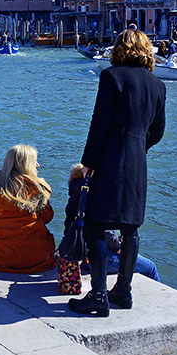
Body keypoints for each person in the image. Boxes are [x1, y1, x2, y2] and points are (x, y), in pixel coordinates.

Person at [68, 29, 166, 316]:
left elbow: (99, 124)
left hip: (110, 158)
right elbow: (157, 132)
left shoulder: (111, 77)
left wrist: (89, 162)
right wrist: (138, 146)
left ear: (119, 50)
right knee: (131, 228)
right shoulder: (158, 85)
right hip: (138, 162)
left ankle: (98, 295)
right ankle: (123, 290)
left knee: (97, 224)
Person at [61, 164, 159, 282]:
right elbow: (105, 230)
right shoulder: (94, 193)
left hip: (76, 252)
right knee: (150, 268)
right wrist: (118, 246)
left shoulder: (75, 194)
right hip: (92, 256)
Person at [0, 145, 56, 273]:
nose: (38, 165)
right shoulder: (39, 191)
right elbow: (48, 218)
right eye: (34, 161)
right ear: (26, 165)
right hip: (35, 262)